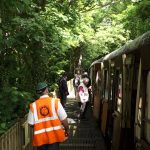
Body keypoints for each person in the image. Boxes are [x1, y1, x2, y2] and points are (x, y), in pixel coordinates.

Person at [27, 82, 69, 150]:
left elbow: (31, 124)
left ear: (38, 93)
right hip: (54, 137)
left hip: (40, 139)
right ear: (46, 90)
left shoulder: (33, 106)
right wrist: (67, 130)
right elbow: (64, 119)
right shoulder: (55, 102)